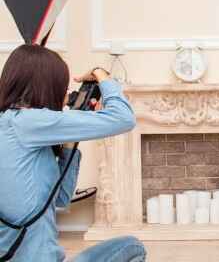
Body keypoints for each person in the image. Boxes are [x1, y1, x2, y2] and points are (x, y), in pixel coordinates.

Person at [0, 44, 146, 262]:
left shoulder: (10, 123)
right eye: (61, 87)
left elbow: (61, 199)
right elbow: (124, 118)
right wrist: (101, 74)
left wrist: (69, 141)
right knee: (133, 246)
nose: (65, 94)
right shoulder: (29, 122)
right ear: (46, 86)